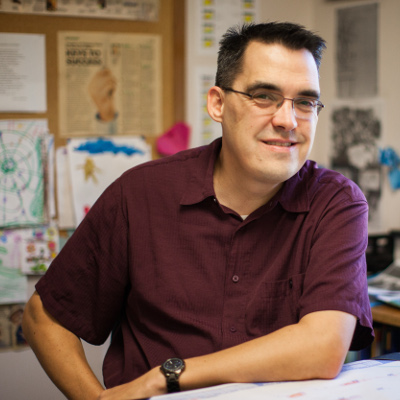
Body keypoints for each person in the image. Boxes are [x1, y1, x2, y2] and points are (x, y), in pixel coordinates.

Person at [22, 22, 374, 400]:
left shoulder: (336, 204)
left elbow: (323, 347)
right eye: (264, 96)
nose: (288, 120)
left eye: (304, 102)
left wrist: (167, 376)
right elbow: (44, 317)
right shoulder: (140, 194)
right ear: (217, 104)